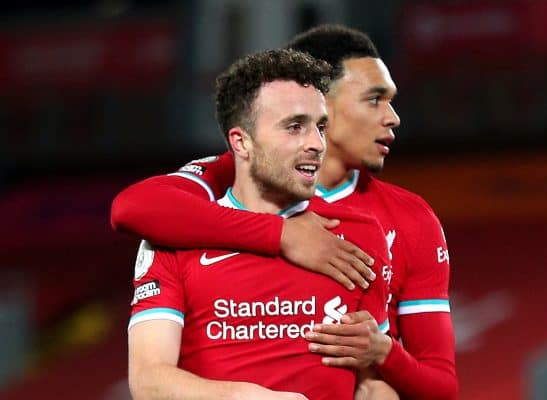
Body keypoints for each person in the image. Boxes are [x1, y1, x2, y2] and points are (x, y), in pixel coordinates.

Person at [113, 25, 458, 399]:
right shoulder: (192, 208)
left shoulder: (373, 228)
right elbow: (132, 208)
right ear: (242, 142)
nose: (393, 117)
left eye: (319, 126)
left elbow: (379, 383)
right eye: (374, 99)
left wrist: (386, 355)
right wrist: (282, 234)